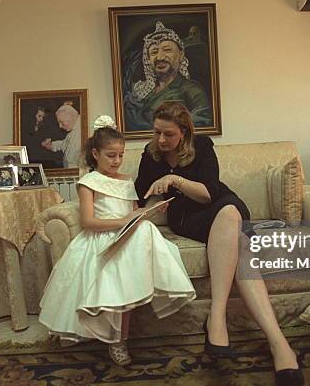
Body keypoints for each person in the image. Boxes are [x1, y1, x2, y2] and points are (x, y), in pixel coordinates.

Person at [134, 102, 303, 386]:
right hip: (187, 218)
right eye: (157, 132)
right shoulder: (151, 155)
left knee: (230, 216)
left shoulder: (201, 145)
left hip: (220, 205)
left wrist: (174, 178)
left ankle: (219, 318)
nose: (161, 140)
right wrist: (152, 200)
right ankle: (279, 344)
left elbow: (209, 193)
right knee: (241, 243)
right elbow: (141, 194)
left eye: (169, 134)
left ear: (184, 132)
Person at [39, 115, 196, 366]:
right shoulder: (87, 182)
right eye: (111, 155)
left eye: (121, 155)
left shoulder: (126, 181)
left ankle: (120, 337)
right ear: (95, 153)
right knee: (115, 269)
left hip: (127, 235)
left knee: (146, 231)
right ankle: (116, 340)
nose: (117, 160)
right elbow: (89, 222)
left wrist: (150, 211)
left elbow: (134, 212)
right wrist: (124, 222)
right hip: (99, 238)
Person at [126, 21, 212, 130]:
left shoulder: (192, 90)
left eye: (167, 50)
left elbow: (202, 121)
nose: (160, 57)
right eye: (154, 52)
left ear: (180, 55)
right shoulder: (142, 92)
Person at [41, 102, 82, 168]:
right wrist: (51, 145)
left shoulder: (83, 128)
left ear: (70, 117)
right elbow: (65, 144)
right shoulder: (74, 129)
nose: (60, 126)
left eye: (61, 122)